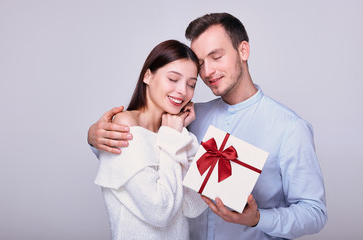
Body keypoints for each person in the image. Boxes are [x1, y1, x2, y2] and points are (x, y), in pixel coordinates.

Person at [88, 13, 328, 239]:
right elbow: (139, 151)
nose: (208, 72)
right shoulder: (188, 117)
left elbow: (314, 213)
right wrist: (95, 138)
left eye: (217, 57)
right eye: (201, 63)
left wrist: (258, 218)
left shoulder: (290, 128)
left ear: (243, 50)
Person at [93, 39, 207, 240]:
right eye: (173, 79)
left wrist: (183, 135)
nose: (183, 91)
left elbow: (193, 203)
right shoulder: (125, 125)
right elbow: (160, 211)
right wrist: (173, 137)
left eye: (191, 84)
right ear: (148, 75)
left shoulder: (172, 131)